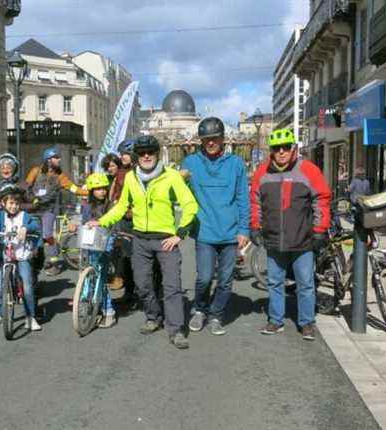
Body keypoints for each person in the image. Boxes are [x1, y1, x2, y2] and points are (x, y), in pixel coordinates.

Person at [88, 136, 199, 349]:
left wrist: (180, 233)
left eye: (150, 152)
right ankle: (153, 317)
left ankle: (176, 330)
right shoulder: (131, 178)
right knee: (143, 284)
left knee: (172, 287)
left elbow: (190, 205)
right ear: (137, 156)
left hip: (166, 240)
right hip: (140, 239)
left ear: (157, 154)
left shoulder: (171, 176)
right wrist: (101, 222)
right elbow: (121, 207)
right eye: (142, 153)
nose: (146, 156)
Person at [250, 128, 331, 341]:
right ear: (272, 151)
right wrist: (255, 226)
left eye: (286, 147)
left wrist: (319, 229)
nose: (282, 152)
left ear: (293, 148)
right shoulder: (262, 172)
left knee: (305, 283)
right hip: (274, 238)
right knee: (274, 282)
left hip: (302, 239)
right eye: (277, 149)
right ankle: (276, 320)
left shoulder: (309, 170)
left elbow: (321, 199)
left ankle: (306, 323)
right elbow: (255, 202)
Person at [182, 117, 249, 336]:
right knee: (204, 277)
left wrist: (244, 229)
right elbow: (177, 191)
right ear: (201, 140)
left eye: (214, 138)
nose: (210, 142)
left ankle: (216, 314)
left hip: (230, 233)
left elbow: (242, 199)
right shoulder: (191, 163)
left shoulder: (236, 164)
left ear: (222, 139)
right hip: (204, 232)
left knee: (226, 280)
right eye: (206, 139)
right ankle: (200, 309)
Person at [0, 184, 43, 331]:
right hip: (6, 257)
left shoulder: (25, 216)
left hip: (22, 256)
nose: (14, 206)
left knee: (27, 286)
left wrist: (26, 228)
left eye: (16, 203)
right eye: (10, 203)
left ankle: (30, 317)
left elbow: (35, 226)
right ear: (3, 203)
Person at [25, 147, 88, 276]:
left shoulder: (60, 176)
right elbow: (26, 185)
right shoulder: (35, 171)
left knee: (47, 234)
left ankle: (54, 261)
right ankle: (38, 259)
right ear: (48, 159)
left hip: (49, 209)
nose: (59, 160)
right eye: (56, 157)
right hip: (34, 208)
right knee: (34, 235)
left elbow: (74, 189)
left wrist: (90, 192)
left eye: (59, 157)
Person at [79, 172, 119, 328]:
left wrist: (112, 238)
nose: (101, 191)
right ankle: (89, 305)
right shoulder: (87, 207)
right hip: (90, 244)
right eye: (97, 189)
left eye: (103, 188)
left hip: (105, 245)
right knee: (89, 276)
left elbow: (114, 226)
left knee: (101, 279)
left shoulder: (111, 206)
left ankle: (109, 311)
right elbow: (83, 222)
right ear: (91, 191)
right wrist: (76, 225)